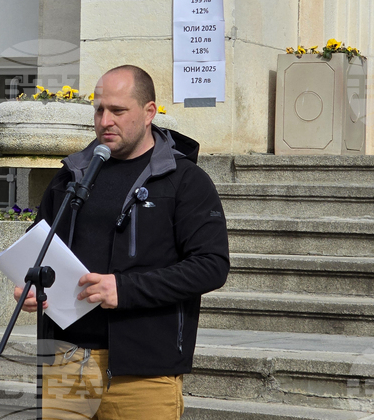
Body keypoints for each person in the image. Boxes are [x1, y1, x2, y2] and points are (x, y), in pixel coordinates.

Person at [14, 65, 230, 420]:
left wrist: (124, 289)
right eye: (99, 110)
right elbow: (39, 246)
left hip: (143, 370)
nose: (105, 121)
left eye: (117, 110)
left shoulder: (185, 180)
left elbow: (211, 266)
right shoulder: (71, 175)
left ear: (149, 112)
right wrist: (31, 285)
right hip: (65, 361)